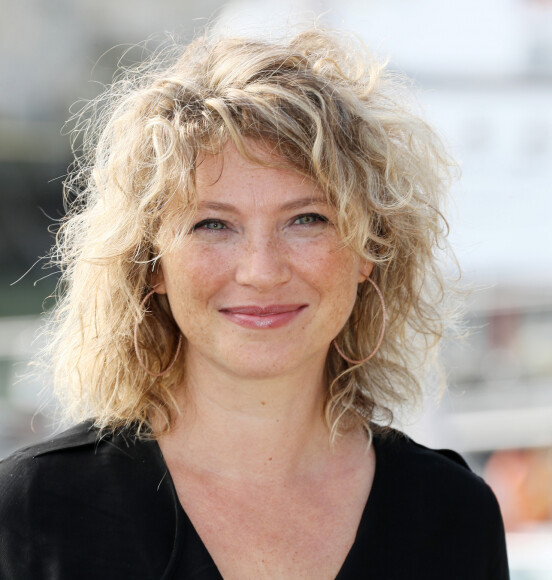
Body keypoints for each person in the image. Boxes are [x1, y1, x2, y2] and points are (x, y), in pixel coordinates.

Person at [0, 28, 509, 579]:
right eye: (213, 224)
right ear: (151, 265)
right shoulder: (33, 512)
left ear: (370, 250)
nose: (262, 271)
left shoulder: (454, 515)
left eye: (306, 220)